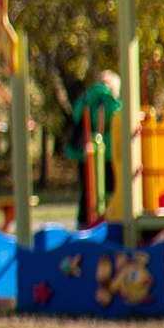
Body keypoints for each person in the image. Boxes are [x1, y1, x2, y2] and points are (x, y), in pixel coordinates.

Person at [66, 70, 121, 226]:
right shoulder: (112, 100)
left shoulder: (86, 97)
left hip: (85, 152)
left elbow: (76, 116)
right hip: (109, 153)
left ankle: (83, 224)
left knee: (88, 190)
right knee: (110, 189)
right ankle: (108, 221)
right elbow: (119, 118)